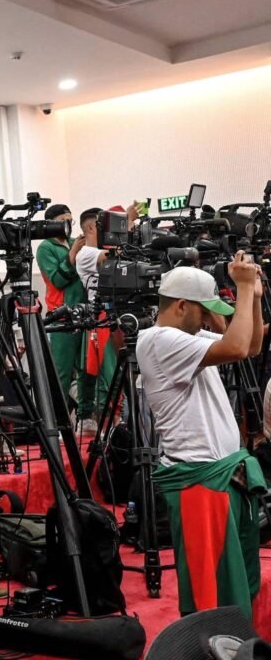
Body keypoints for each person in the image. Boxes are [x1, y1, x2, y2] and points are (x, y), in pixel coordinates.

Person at [138, 262, 266, 617]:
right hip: (200, 484)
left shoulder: (187, 337)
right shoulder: (159, 340)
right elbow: (237, 348)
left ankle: (235, 646)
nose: (210, 319)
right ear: (181, 305)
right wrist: (240, 287)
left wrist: (252, 299)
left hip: (221, 477)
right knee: (210, 593)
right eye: (205, 310)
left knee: (234, 581)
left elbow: (250, 345)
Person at [70, 204, 137, 433]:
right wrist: (127, 224)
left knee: (121, 372)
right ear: (91, 227)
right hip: (102, 317)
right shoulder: (85, 254)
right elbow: (113, 256)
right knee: (109, 373)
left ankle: (119, 422)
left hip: (117, 315)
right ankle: (113, 424)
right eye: (106, 227)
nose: (111, 234)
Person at [35, 204, 87, 412]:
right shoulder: (45, 248)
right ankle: (58, 419)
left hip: (84, 313)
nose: (68, 226)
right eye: (64, 221)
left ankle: (85, 415)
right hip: (62, 317)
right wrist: (72, 255)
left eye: (70, 221)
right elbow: (57, 280)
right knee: (61, 372)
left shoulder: (75, 242)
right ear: (51, 224)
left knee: (86, 369)